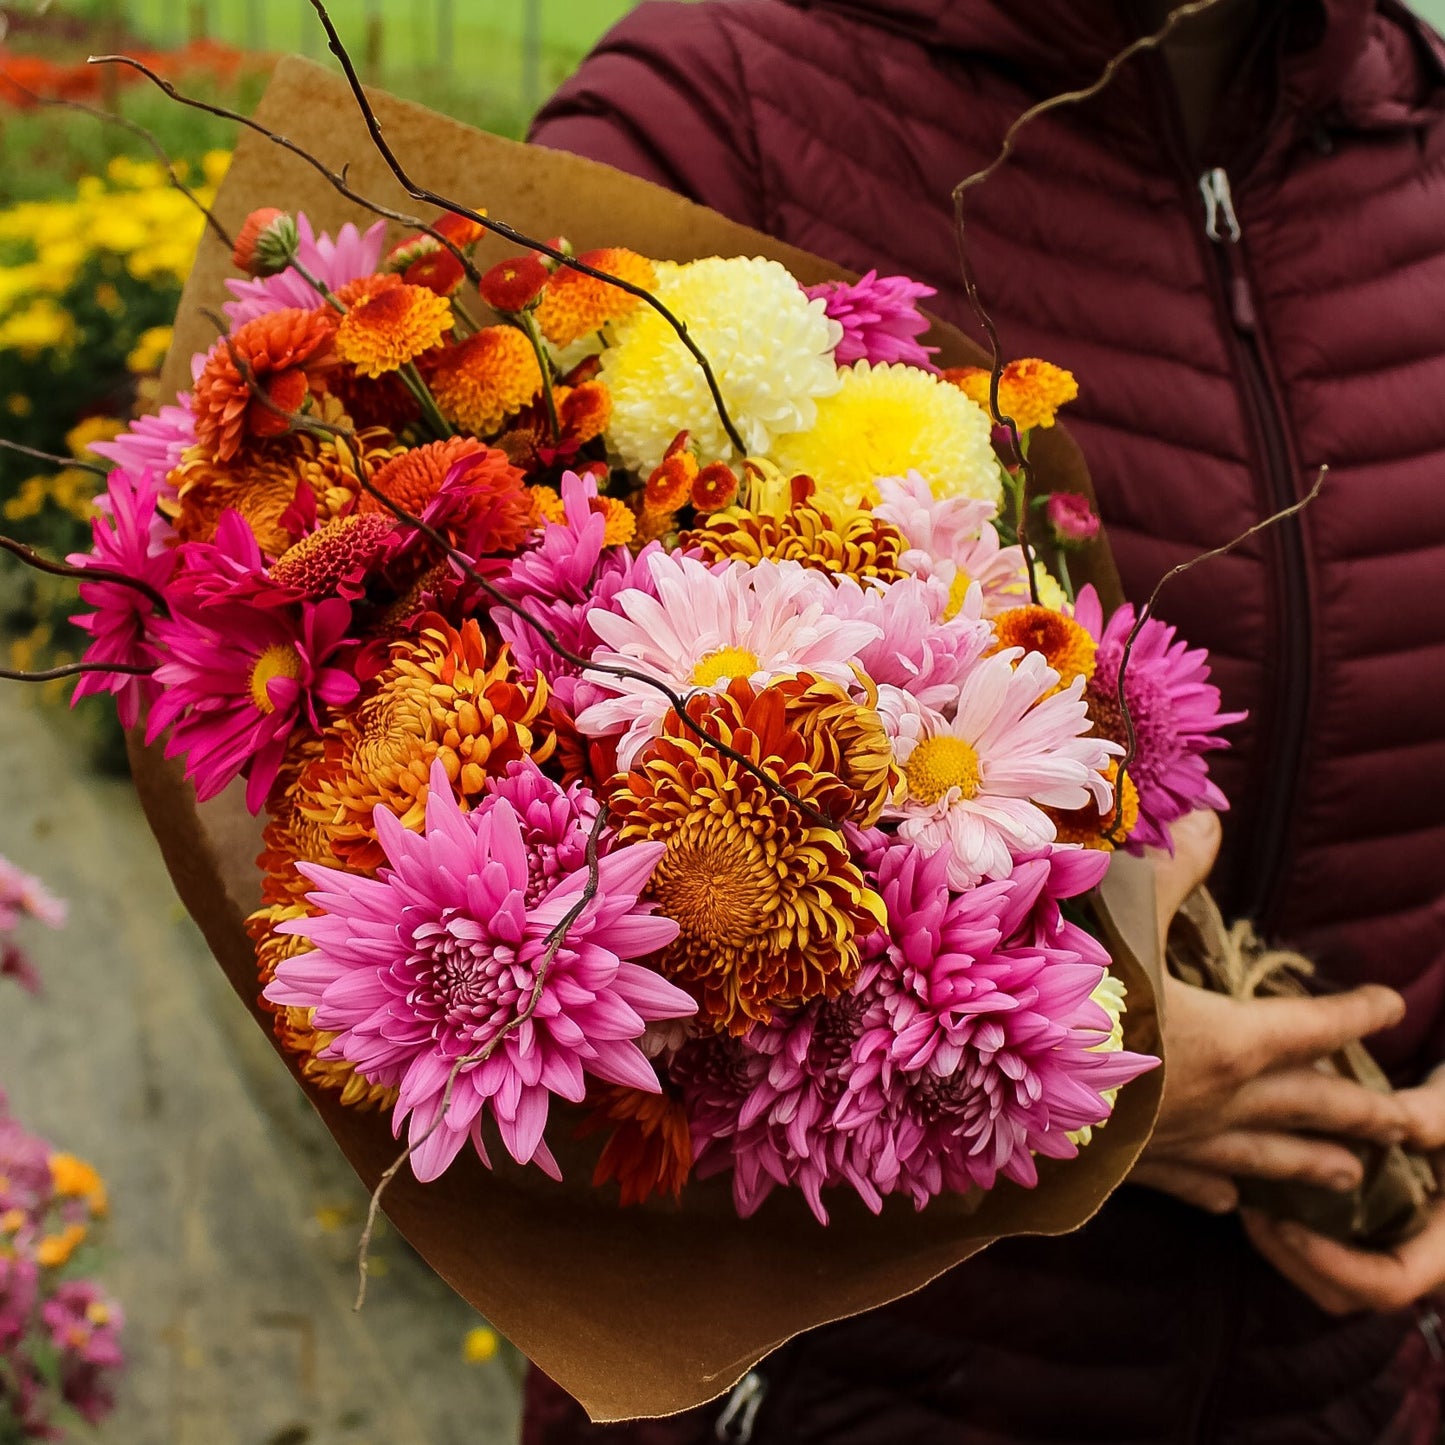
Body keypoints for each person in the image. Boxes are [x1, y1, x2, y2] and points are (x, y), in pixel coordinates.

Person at [523, 0, 1445, 1438]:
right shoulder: (721, 114)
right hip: (850, 1388)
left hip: (1344, 1384)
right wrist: (1038, 1082)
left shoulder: (1415, 144)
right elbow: (479, 855)